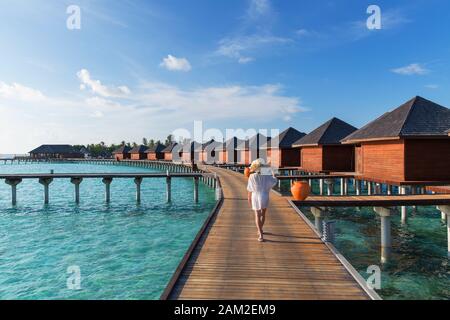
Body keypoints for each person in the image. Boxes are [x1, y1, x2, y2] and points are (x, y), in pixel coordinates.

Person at [246, 159, 278, 242]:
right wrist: (273, 173)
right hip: (264, 196)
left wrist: (249, 197)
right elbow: (274, 181)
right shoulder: (267, 176)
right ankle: (260, 229)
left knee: (257, 215)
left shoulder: (252, 176)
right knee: (263, 214)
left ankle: (260, 234)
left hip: (255, 196)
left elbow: (249, 189)